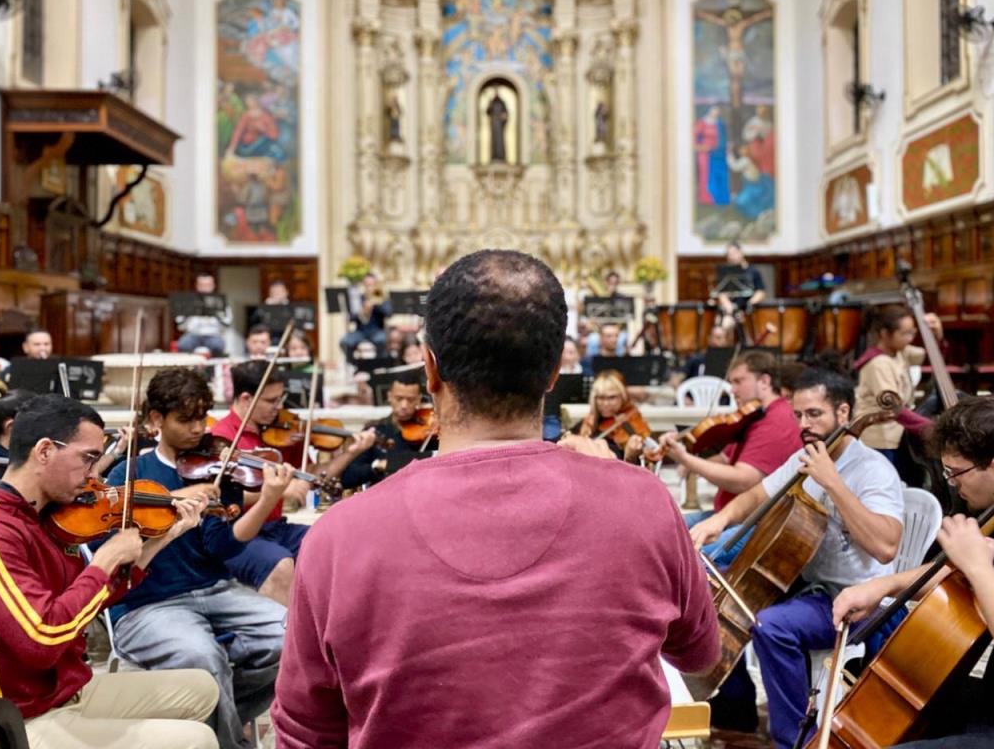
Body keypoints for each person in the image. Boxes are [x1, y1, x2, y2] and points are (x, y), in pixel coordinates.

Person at [272, 249, 720, 747]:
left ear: (430, 370)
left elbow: (305, 731)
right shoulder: (644, 503)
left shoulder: (338, 536)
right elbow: (700, 655)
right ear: (554, 374)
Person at [0, 394, 219, 748]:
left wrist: (163, 538)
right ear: (45, 450)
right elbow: (43, 639)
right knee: (196, 740)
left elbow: (91, 602)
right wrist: (104, 560)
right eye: (88, 458)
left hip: (64, 689)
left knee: (204, 688)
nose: (96, 475)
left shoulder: (46, 515)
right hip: (20, 717)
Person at [690, 368, 904, 746]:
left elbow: (886, 546)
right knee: (711, 594)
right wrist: (719, 521)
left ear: (843, 412)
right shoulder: (805, 456)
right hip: (811, 588)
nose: (804, 424)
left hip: (860, 601)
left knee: (772, 626)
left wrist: (833, 483)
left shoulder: (873, 470)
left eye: (814, 414)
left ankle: (793, 742)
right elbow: (759, 495)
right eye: (799, 415)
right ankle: (733, 714)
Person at [103, 367, 292, 749]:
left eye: (202, 417)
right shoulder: (129, 474)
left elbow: (226, 547)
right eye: (185, 419)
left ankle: (213, 715)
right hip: (148, 604)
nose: (197, 428)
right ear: (156, 419)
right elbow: (119, 557)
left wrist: (269, 498)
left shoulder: (221, 469)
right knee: (201, 655)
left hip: (215, 589)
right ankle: (230, 742)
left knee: (296, 637)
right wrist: (174, 508)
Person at [832, 395, 994, 749]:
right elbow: (955, 571)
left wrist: (978, 567)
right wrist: (883, 586)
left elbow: (977, 571)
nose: (952, 483)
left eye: (955, 473)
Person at [210, 361, 376, 604]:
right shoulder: (221, 438)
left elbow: (312, 477)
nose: (279, 407)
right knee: (280, 563)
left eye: (281, 398)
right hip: (238, 534)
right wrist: (278, 492)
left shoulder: (282, 432)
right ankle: (285, 639)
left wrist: (350, 453)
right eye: (271, 401)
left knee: (340, 544)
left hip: (277, 528)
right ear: (246, 398)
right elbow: (222, 497)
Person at [659, 350, 803, 565]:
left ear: (764, 381)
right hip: (727, 516)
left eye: (738, 381)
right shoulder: (753, 415)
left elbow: (743, 480)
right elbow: (725, 459)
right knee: (659, 528)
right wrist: (687, 458)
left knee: (678, 558)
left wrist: (686, 460)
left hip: (753, 525)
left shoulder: (777, 420)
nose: (732, 389)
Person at [853, 304, 943, 465]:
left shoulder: (901, 351)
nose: (910, 338)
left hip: (896, 434)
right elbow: (893, 407)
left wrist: (936, 335)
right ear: (885, 334)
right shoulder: (878, 363)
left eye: (912, 332)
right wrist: (928, 427)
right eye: (905, 334)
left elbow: (932, 358)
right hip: (880, 440)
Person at [340, 370, 438, 489]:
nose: (404, 405)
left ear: (419, 399)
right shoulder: (376, 429)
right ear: (389, 396)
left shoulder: (432, 431)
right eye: (399, 398)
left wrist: (392, 463)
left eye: (411, 400)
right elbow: (348, 478)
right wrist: (376, 466)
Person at [573, 370, 649, 464]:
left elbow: (643, 464)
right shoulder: (588, 422)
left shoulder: (632, 420)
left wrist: (631, 456)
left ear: (623, 396)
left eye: (612, 397)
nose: (605, 403)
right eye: (600, 397)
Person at [176, 273, 233, 357]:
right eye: (202, 285)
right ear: (197, 286)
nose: (205, 288)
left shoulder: (221, 303)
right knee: (183, 345)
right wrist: (189, 312)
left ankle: (213, 369)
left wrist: (216, 314)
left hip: (213, 334)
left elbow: (227, 324)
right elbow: (180, 325)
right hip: (193, 334)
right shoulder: (188, 302)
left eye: (207, 285)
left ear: (213, 286)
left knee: (217, 346)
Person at [715, 242, 765, 334]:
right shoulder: (727, 272)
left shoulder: (753, 271)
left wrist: (749, 304)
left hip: (746, 309)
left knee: (726, 325)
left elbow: (760, 292)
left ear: (741, 252)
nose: (731, 257)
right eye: (729, 254)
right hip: (730, 309)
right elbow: (721, 293)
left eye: (734, 253)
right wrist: (729, 305)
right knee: (720, 326)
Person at [340, 274, 391, 359]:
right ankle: (355, 365)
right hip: (360, 331)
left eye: (371, 285)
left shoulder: (382, 298)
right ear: (363, 285)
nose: (369, 287)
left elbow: (389, 313)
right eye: (367, 285)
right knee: (345, 342)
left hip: (377, 331)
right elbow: (351, 318)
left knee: (382, 341)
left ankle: (377, 367)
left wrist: (377, 304)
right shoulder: (358, 299)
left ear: (376, 285)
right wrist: (363, 309)